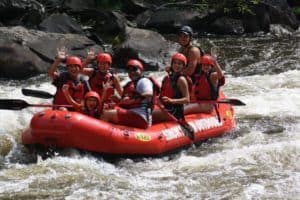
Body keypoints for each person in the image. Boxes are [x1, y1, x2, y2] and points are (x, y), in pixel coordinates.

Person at [101, 59, 154, 129]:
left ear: (141, 70)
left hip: (140, 117)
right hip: (132, 114)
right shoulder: (131, 84)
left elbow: (149, 94)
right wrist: (118, 99)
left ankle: (101, 137)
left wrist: (133, 99)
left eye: (134, 69)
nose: (132, 72)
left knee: (106, 114)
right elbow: (127, 101)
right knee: (106, 108)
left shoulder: (144, 81)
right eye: (129, 70)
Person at [153, 53, 191, 123]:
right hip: (166, 107)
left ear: (183, 66)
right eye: (175, 63)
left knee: (149, 114)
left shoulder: (181, 79)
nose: (176, 65)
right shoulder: (168, 77)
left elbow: (187, 99)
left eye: (179, 64)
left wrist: (171, 100)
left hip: (174, 111)